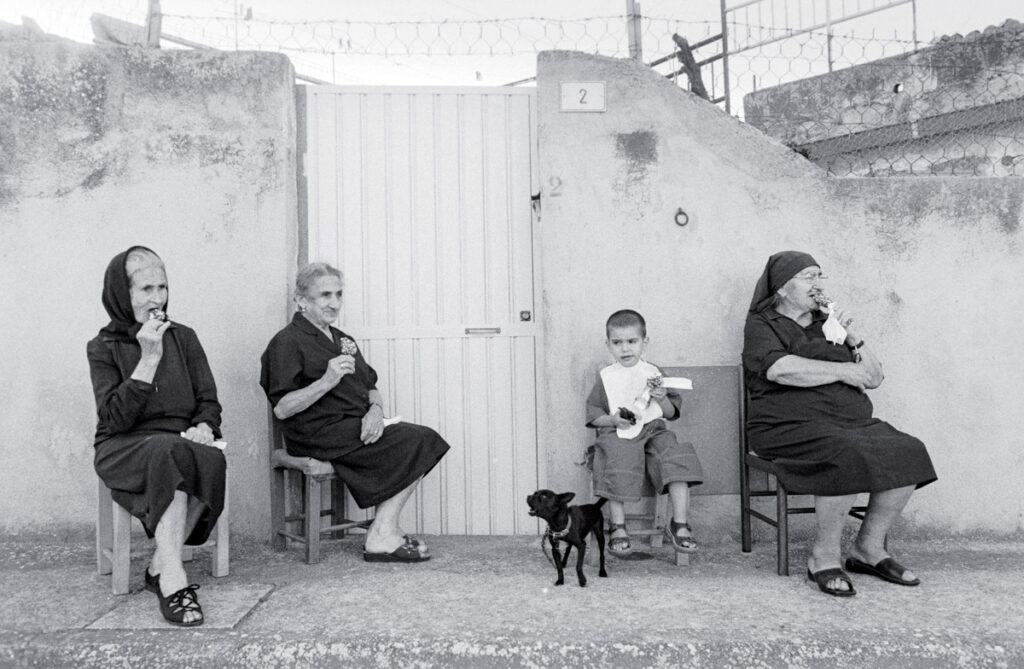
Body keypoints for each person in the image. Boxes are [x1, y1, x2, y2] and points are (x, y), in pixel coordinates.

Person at [742, 250, 937, 597]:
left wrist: (853, 336)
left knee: (908, 449)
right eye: (809, 277)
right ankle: (823, 556)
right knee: (846, 451)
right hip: (785, 426)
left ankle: (868, 549)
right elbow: (780, 370)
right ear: (782, 288)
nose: (818, 285)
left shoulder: (829, 323)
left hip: (847, 421)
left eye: (820, 276)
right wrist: (846, 371)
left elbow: (874, 377)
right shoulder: (763, 323)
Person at [260, 262, 450, 563]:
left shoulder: (343, 340)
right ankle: (382, 534)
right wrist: (326, 380)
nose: (334, 303)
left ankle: (383, 530)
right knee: (419, 440)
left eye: (338, 294)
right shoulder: (286, 342)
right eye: (325, 295)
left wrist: (375, 409)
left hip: (349, 428)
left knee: (423, 440)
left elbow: (370, 383)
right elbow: (283, 408)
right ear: (301, 300)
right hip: (316, 433)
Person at [87, 246, 226, 626]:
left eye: (162, 287)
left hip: (178, 441)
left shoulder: (185, 337)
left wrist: (204, 426)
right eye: (146, 288)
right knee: (170, 452)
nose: (157, 298)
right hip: (123, 446)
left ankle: (158, 564)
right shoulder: (103, 347)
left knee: (208, 455)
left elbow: (208, 400)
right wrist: (148, 359)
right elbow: (114, 419)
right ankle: (173, 580)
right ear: (122, 294)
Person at [585, 309, 704, 556]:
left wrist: (661, 399)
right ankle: (617, 526)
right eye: (617, 343)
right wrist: (613, 419)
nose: (625, 349)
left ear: (644, 342)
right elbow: (594, 415)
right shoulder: (606, 377)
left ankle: (679, 523)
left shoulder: (654, 373)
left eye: (632, 341)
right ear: (608, 345)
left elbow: (671, 413)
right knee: (614, 457)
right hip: (620, 431)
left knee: (675, 456)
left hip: (652, 430)